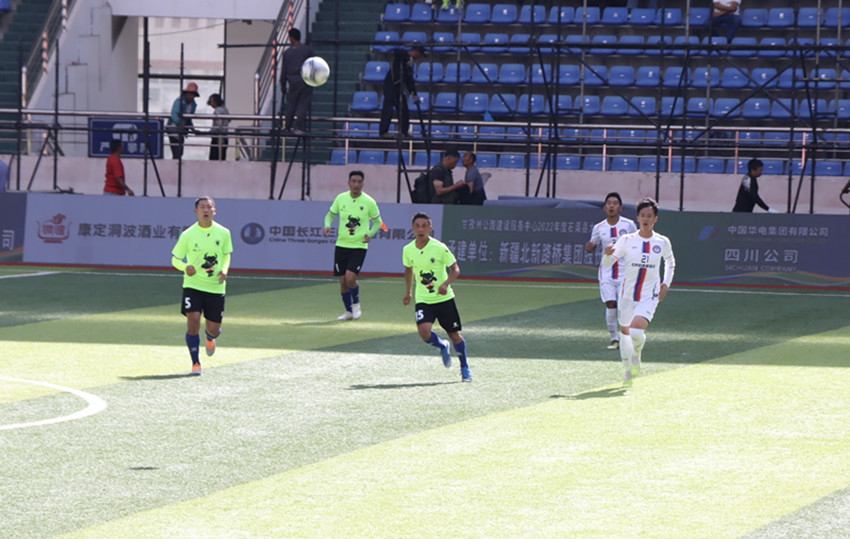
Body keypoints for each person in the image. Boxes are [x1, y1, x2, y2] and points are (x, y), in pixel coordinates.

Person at [602, 197, 675, 388]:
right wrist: (607, 255)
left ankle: (636, 354)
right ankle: (628, 371)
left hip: (649, 295)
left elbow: (670, 262)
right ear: (638, 218)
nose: (645, 219)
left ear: (655, 219)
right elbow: (608, 263)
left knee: (635, 331)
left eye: (649, 216)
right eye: (642, 215)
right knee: (625, 334)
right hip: (627, 294)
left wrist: (666, 283)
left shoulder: (662, 241)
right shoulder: (627, 240)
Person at [402, 212, 472, 382]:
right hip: (423, 299)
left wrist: (446, 284)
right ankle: (441, 345)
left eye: (424, 226)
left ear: (430, 228)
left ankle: (465, 368)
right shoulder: (408, 249)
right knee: (424, 332)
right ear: (413, 228)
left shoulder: (439, 247)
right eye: (417, 226)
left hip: (444, 299)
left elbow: (455, 269)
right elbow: (409, 270)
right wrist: (409, 292)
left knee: (454, 335)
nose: (421, 230)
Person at [171, 196, 233, 375]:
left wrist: (224, 270)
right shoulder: (187, 235)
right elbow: (175, 259)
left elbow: (226, 254)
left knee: (213, 329)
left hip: (215, 286)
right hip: (193, 285)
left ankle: (210, 337)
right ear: (196, 211)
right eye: (202, 207)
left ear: (214, 211)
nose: (206, 210)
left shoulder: (224, 233)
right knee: (193, 321)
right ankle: (196, 363)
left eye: (209, 207)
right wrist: (185, 267)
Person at [323, 170, 383, 321]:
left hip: (359, 246)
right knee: (343, 281)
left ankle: (356, 304)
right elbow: (330, 214)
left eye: (359, 182)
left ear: (363, 184)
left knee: (350, 277)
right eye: (353, 181)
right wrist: (327, 225)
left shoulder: (369, 202)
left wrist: (370, 233)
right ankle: (348, 311)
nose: (356, 184)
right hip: (341, 244)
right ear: (348, 183)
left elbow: (378, 222)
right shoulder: (341, 198)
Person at [585, 192, 636, 350]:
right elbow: (592, 246)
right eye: (609, 203)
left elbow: (636, 243)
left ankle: (626, 336)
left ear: (620, 208)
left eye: (615, 203)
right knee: (610, 303)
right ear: (604, 207)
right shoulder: (599, 227)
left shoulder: (628, 225)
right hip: (606, 271)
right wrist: (590, 247)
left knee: (623, 306)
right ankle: (614, 338)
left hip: (624, 272)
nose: (612, 206)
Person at [379, 46, 425, 139]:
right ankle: (383, 131)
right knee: (388, 109)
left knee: (403, 109)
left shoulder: (410, 64)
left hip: (398, 87)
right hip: (391, 85)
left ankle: (404, 132)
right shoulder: (402, 57)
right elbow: (397, 51)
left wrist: (413, 93)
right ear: (416, 52)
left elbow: (409, 80)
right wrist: (408, 57)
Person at [280, 28, 315, 135]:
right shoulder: (308, 50)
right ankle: (299, 127)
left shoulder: (287, 53)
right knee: (303, 104)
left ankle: (287, 126)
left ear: (291, 38)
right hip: (305, 79)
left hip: (292, 81)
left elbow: (284, 71)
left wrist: (283, 85)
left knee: (291, 105)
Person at [167, 82, 199, 159]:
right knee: (176, 151)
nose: (191, 96)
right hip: (173, 129)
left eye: (193, 94)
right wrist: (179, 123)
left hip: (181, 130)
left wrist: (192, 129)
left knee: (180, 151)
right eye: (190, 94)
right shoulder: (179, 101)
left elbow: (189, 118)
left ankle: (176, 163)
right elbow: (174, 114)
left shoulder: (193, 104)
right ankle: (175, 164)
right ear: (186, 93)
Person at [207, 93, 230, 161]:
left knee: (214, 158)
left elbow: (217, 125)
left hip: (217, 137)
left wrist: (210, 132)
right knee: (222, 157)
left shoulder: (218, 110)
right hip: (225, 137)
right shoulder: (225, 109)